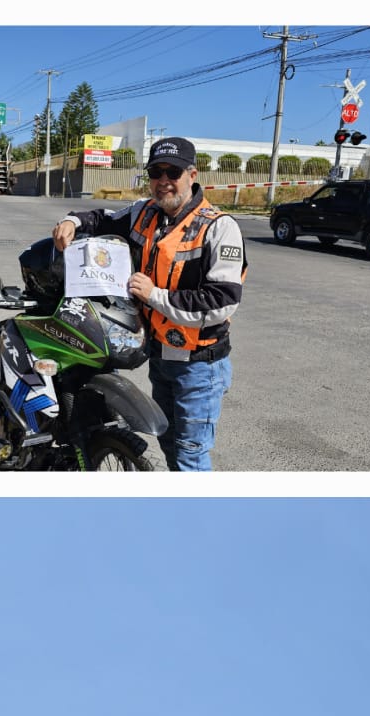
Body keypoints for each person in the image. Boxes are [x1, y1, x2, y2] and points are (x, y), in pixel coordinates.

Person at [52, 137, 244, 472]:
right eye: (156, 172)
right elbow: (103, 218)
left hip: (199, 365)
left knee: (190, 457)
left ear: (192, 174)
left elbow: (222, 301)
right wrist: (72, 221)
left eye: (173, 171)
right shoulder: (145, 212)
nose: (164, 180)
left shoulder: (218, 227)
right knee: (170, 445)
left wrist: (154, 295)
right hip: (160, 357)